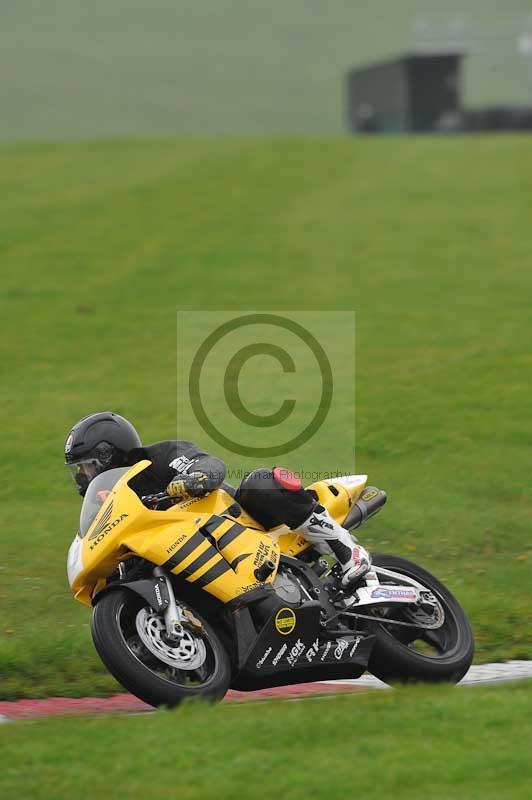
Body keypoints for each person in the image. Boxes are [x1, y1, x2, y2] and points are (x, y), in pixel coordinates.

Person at [65, 411, 370, 587]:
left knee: (260, 482)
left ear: (107, 454)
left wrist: (193, 480)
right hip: (192, 556)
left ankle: (347, 550)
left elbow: (209, 465)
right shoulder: (115, 501)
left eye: (85, 466)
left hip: (243, 526)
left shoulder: (158, 458)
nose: (81, 476)